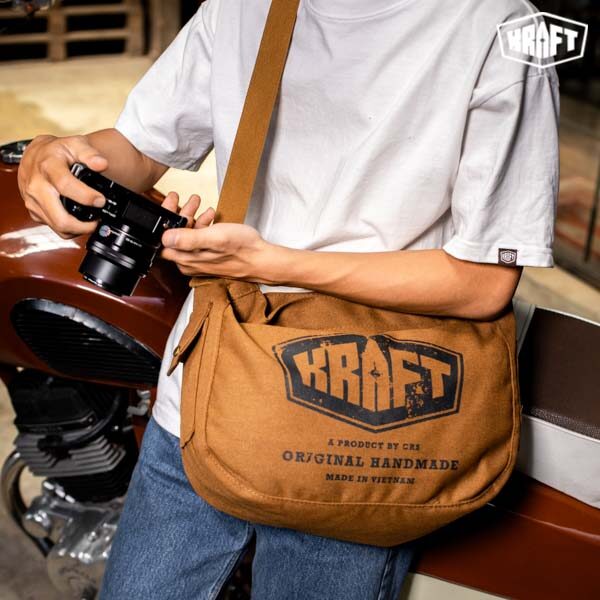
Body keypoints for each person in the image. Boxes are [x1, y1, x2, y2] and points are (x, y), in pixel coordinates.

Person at [18, 0, 559, 598]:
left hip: (369, 424)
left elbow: (481, 282)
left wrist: (267, 262)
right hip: (206, 399)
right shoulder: (242, 8)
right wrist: (58, 155)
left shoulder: (504, 27)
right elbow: (142, 149)